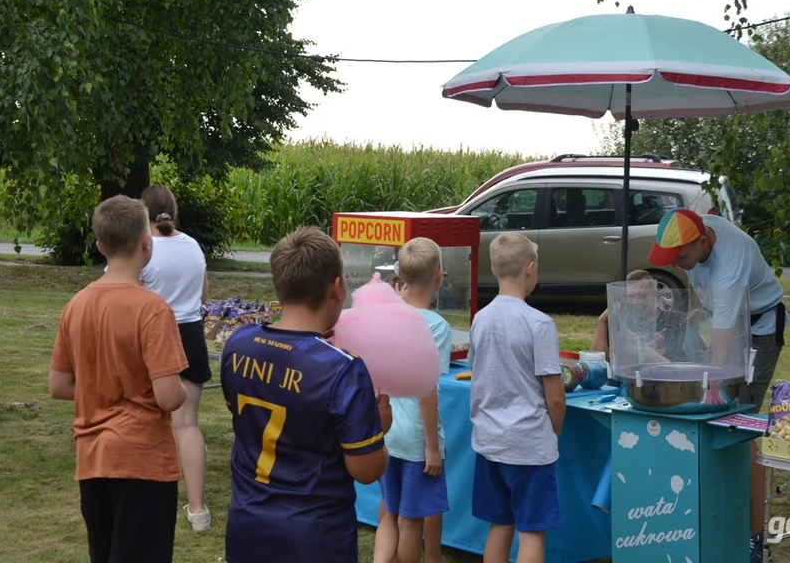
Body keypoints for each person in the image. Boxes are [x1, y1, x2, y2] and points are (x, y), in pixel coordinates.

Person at [220, 226, 393, 563]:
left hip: (247, 523)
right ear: (337, 287)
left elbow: (244, 417)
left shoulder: (238, 344)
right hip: (314, 536)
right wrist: (379, 428)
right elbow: (367, 470)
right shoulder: (342, 368)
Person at [49, 195, 188, 563]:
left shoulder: (76, 305)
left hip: (93, 460)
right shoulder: (152, 309)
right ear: (147, 242)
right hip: (143, 461)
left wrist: (104, 386)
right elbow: (169, 397)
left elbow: (59, 385)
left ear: (99, 246)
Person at [647, 207, 788, 563]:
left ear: (704, 240)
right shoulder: (697, 241)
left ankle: (755, 535)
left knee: (741, 424)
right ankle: (715, 507)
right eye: (671, 257)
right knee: (716, 421)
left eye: (682, 255)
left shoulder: (730, 260)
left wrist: (713, 384)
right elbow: (702, 286)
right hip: (731, 322)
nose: (677, 262)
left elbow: (724, 342)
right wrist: (697, 309)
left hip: (760, 330)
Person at [468, 232, 565, 563]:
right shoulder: (539, 324)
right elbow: (555, 397)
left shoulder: (479, 319)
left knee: (500, 523)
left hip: (489, 441)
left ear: (495, 270)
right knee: (531, 531)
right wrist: (553, 436)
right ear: (530, 268)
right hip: (529, 445)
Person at [373, 238, 452, 563]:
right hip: (416, 438)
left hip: (386, 431)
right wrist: (432, 446)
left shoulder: (383, 315)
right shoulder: (436, 326)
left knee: (389, 512)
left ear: (400, 274)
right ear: (439, 274)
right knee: (410, 521)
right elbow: (426, 390)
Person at [139, 184, 212, 532]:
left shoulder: (145, 250)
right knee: (187, 424)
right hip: (192, 336)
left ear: (144, 213)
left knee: (147, 422)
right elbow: (204, 294)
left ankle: (148, 502)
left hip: (155, 337)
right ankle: (197, 510)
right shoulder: (194, 246)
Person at [590, 270, 670, 366]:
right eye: (631, 296)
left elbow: (677, 365)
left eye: (642, 296)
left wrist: (639, 348)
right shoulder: (620, 323)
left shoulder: (674, 320)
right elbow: (597, 364)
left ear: (655, 295)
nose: (636, 302)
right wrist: (602, 321)